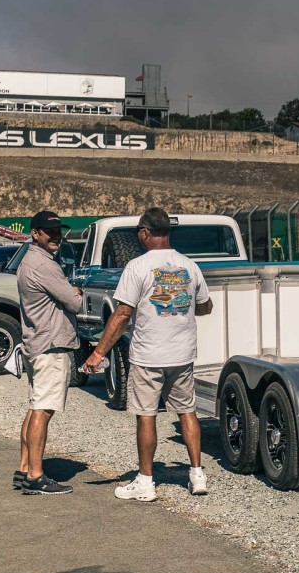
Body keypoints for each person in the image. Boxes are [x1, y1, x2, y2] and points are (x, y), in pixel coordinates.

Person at [83, 208, 213, 501]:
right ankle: (197, 474)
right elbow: (206, 306)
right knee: (187, 411)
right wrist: (180, 303)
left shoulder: (137, 266)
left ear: (144, 232)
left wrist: (98, 353)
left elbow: (123, 314)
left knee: (146, 416)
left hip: (148, 356)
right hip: (182, 354)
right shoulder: (189, 265)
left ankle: (145, 482)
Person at [16, 211, 82, 495]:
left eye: (58, 231)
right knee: (44, 410)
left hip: (37, 343)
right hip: (50, 345)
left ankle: (23, 469)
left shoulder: (28, 261)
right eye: (48, 231)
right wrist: (75, 291)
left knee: (35, 407)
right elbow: (74, 302)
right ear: (35, 233)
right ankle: (35, 476)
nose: (56, 236)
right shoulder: (44, 265)